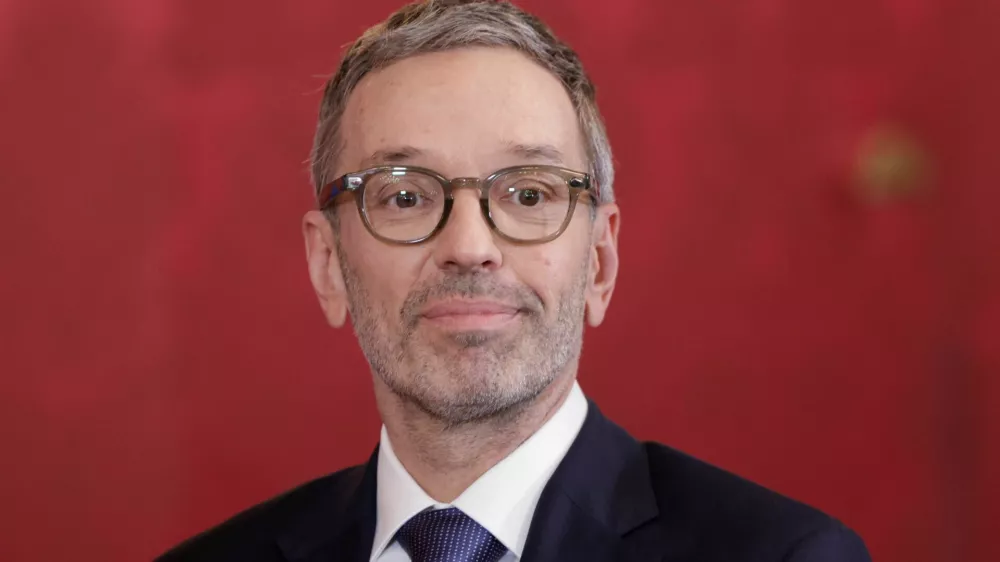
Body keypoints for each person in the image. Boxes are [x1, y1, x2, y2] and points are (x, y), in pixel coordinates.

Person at [158, 1, 871, 560]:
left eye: (528, 195)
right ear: (327, 265)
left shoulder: (780, 555)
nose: (469, 247)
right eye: (405, 196)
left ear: (599, 261)